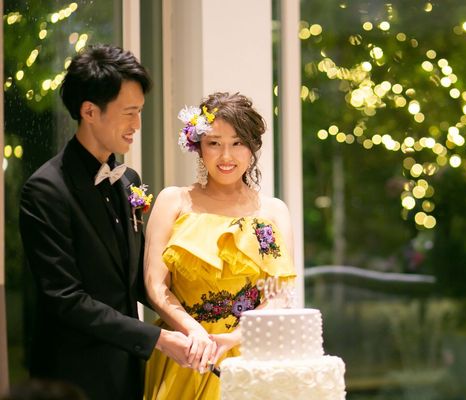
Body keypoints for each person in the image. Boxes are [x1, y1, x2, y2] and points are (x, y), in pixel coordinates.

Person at [18, 44, 194, 400]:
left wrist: (193, 318)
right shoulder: (45, 190)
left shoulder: (128, 180)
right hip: (72, 380)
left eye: (140, 112)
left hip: (128, 372)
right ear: (89, 111)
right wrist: (158, 339)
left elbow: (138, 278)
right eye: (129, 113)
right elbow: (66, 299)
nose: (137, 125)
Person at [143, 92, 297, 399]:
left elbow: (280, 293)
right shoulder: (174, 201)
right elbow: (155, 285)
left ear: (252, 147)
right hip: (187, 352)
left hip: (252, 356)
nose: (226, 156)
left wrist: (234, 338)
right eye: (214, 143)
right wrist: (194, 331)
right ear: (198, 147)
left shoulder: (272, 212)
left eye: (237, 143)